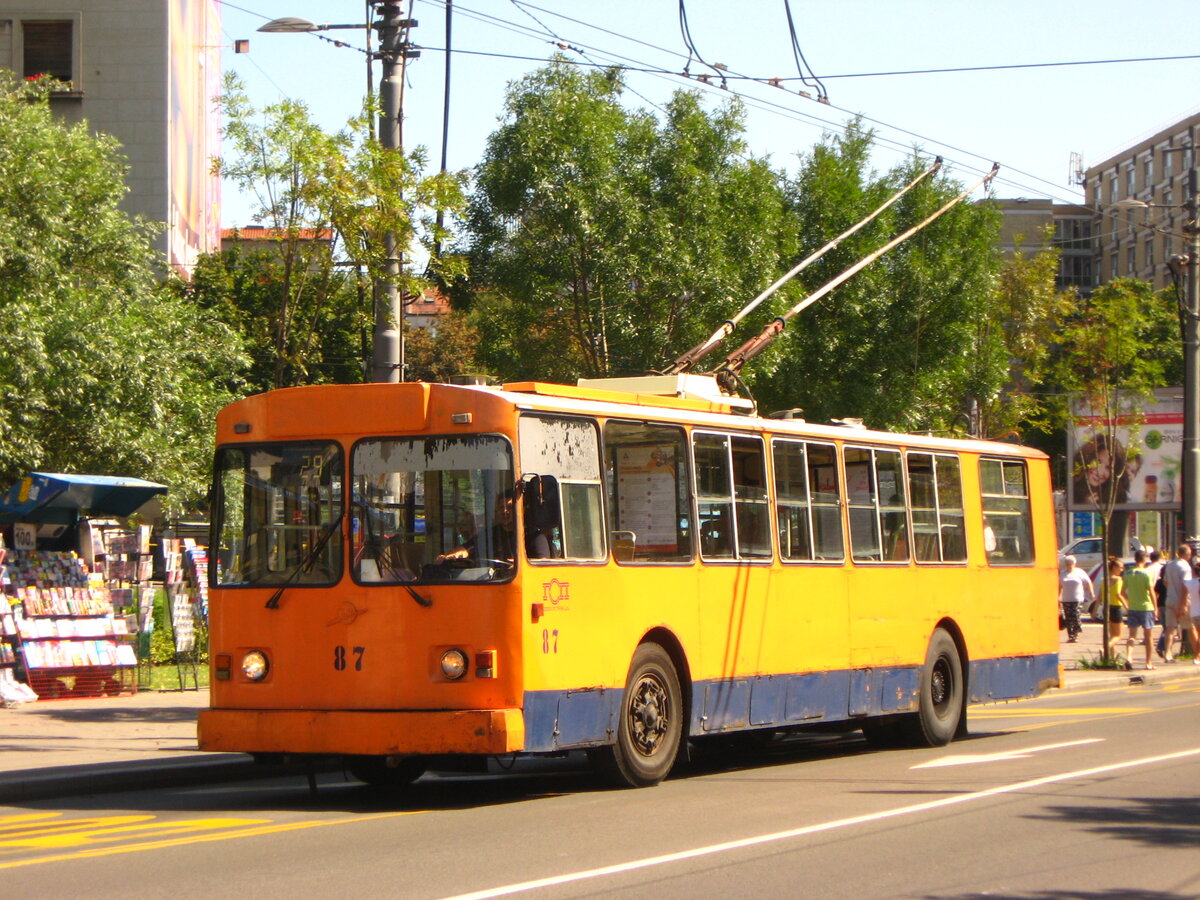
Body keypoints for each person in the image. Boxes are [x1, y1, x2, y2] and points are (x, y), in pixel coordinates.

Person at [1122, 549, 1157, 670]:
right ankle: (1148, 662)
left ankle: (1129, 657)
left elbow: (1122, 592)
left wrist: (1131, 598)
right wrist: (1155, 608)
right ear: (1144, 559)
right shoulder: (1146, 574)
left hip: (1133, 607)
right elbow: (1151, 592)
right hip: (1146, 607)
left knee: (1132, 636)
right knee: (1148, 636)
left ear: (1135, 559)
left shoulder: (1127, 573)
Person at [1162, 542, 1194, 663]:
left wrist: (1172, 589)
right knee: (1191, 628)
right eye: (1189, 554)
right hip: (1182, 600)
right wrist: (1183, 603)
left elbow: (1165, 582)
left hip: (1170, 599)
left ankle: (1168, 654)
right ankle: (1197, 653)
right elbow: (1186, 586)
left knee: (1170, 628)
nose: (1190, 556)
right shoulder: (1185, 567)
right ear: (1186, 554)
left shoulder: (1170, 564)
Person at [1058, 555, 1093, 643]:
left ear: (1074, 564)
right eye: (1067, 564)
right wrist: (1058, 597)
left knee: (1076, 616)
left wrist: (1091, 593)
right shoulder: (1063, 573)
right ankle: (1071, 636)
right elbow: (1059, 586)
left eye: (1070, 564)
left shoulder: (1079, 572)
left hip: (1077, 598)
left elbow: (1088, 582)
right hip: (1066, 599)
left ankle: (1076, 633)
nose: (1069, 566)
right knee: (1068, 618)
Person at [1100, 556, 1129, 656]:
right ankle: (1105, 648)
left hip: (1106, 607)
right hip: (1116, 608)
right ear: (1114, 568)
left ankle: (1112, 657)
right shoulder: (1118, 580)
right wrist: (1127, 607)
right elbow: (1118, 594)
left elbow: (1099, 596)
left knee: (1112, 635)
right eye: (1120, 567)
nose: (1122, 570)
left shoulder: (1104, 580)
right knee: (1118, 636)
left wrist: (1095, 610)